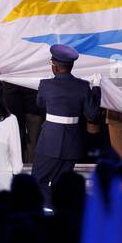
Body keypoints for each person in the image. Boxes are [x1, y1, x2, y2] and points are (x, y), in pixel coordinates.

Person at [32, 44, 101, 204]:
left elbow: (40, 103)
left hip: (50, 140)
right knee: (61, 182)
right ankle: (59, 212)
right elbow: (92, 113)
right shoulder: (83, 86)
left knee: (38, 180)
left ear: (55, 67)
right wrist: (96, 89)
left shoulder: (46, 85)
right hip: (72, 142)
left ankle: (47, 210)